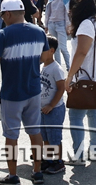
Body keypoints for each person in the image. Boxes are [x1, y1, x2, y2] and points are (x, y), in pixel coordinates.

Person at [0, 0, 49, 185]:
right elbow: (45, 57)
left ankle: (13, 176)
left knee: (11, 136)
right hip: (33, 90)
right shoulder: (39, 32)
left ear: (7, 14)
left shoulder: (3, 34)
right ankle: (37, 171)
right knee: (35, 132)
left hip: (12, 93)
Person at [63, 0, 96, 165]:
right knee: (93, 112)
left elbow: (81, 52)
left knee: (75, 116)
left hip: (86, 79)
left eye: (73, 4)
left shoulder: (86, 25)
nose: (70, 9)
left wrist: (69, 77)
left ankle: (78, 155)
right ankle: (95, 150)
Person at [39, 36, 66, 174]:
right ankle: (49, 159)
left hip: (54, 109)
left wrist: (51, 105)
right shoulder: (42, 67)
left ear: (51, 50)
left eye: (41, 49)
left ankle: (58, 161)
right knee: (45, 137)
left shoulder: (56, 69)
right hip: (42, 109)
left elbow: (61, 88)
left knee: (55, 137)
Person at [45, 0, 71, 70]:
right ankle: (58, 68)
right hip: (52, 23)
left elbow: (67, 13)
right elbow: (48, 11)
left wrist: (68, 26)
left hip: (61, 24)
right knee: (54, 48)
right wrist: (46, 24)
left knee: (63, 47)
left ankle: (69, 67)